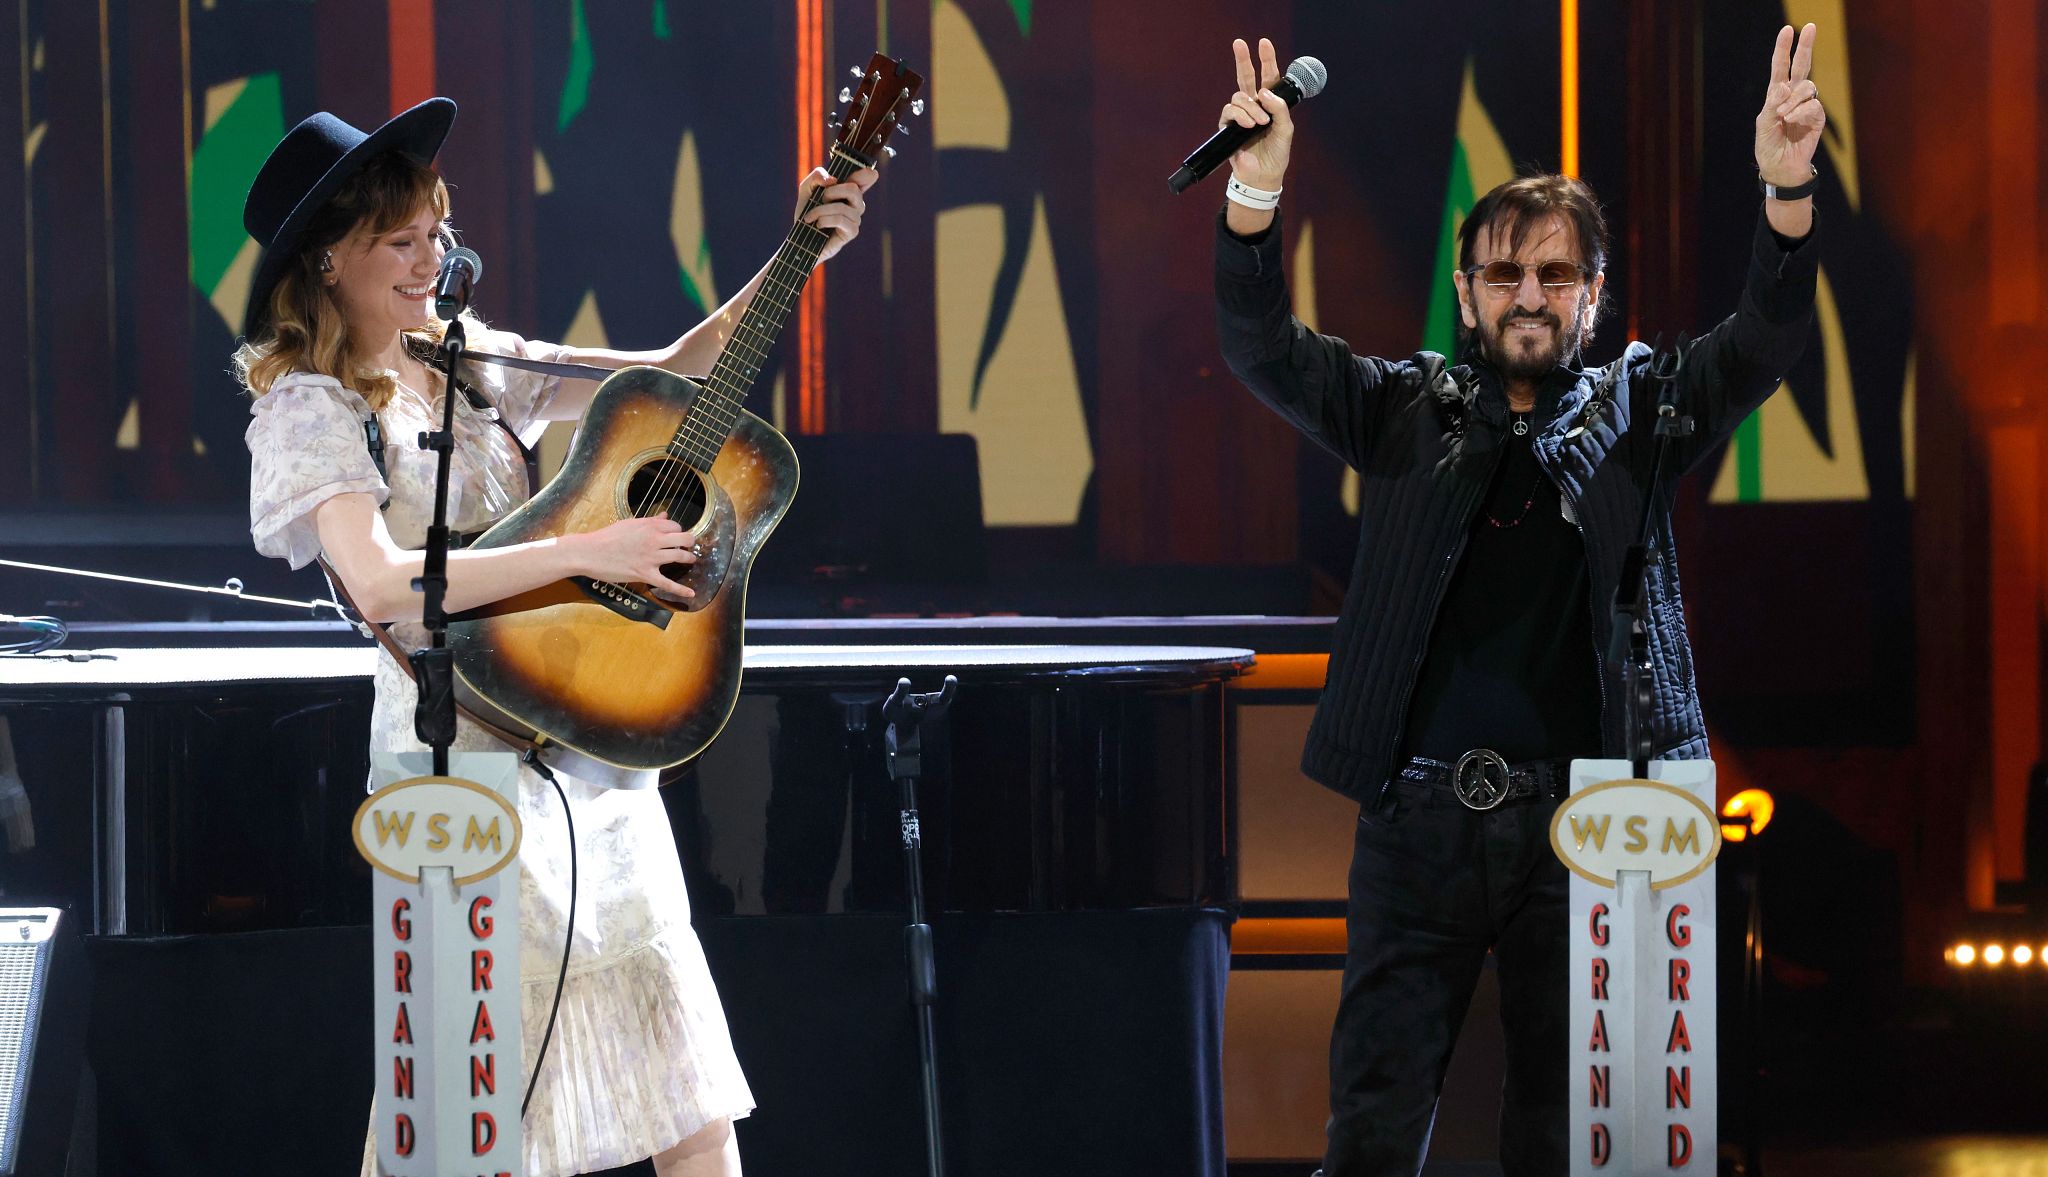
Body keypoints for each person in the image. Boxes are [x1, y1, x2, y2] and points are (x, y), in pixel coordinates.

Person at [1212, 27, 1824, 1177]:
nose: (1528, 295)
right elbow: (1258, 347)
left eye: (1554, 274)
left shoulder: (1644, 409)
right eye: (1503, 273)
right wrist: (1255, 185)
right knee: (1371, 1132)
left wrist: (1785, 186)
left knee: (1575, 1141)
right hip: (1418, 828)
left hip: (1595, 832)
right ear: (1465, 290)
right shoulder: (1402, 410)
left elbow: (1766, 336)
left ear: (1592, 294)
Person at [234, 97, 874, 1177]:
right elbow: (386, 586)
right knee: (463, 1112)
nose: (431, 256)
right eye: (402, 240)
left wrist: (798, 250)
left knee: (688, 1099)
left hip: (584, 744)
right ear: (332, 257)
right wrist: (592, 556)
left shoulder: (469, 358)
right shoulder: (309, 404)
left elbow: (668, 369)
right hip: (454, 765)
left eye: (436, 229)